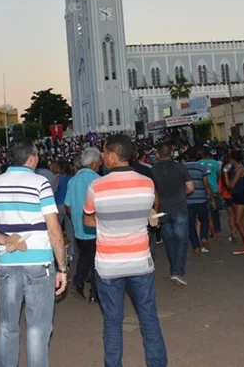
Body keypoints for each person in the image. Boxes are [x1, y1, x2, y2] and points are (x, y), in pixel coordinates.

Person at [0, 139, 67, 367]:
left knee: (8, 325)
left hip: (8, 263)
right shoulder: (40, 183)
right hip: (39, 263)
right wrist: (62, 267)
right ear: (32, 157)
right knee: (37, 328)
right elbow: (54, 229)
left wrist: (5, 240)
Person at [84, 135, 167, 367]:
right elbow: (149, 213)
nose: (102, 157)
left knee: (112, 321)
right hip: (140, 260)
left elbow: (87, 220)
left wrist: (107, 220)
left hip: (109, 264)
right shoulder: (146, 183)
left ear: (112, 155)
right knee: (149, 318)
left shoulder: (96, 186)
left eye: (103, 152)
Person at [151, 142, 193, 284]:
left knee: (169, 241)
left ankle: (174, 268)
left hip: (163, 209)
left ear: (157, 154)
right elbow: (190, 188)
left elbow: (153, 192)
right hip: (180, 207)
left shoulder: (153, 170)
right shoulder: (180, 167)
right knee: (181, 240)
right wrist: (181, 194)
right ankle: (177, 271)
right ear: (172, 152)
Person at [64, 147, 101, 303]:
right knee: (96, 260)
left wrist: (76, 219)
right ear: (93, 163)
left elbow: (68, 205)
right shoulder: (98, 180)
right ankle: (95, 291)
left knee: (85, 256)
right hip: (94, 226)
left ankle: (78, 282)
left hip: (79, 227)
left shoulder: (73, 181)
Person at [185, 147, 216, 254]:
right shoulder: (201, 167)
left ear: (186, 156)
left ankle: (196, 246)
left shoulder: (182, 168)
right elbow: (206, 184)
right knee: (204, 220)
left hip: (188, 201)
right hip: (202, 199)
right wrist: (212, 199)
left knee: (190, 224)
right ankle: (204, 237)